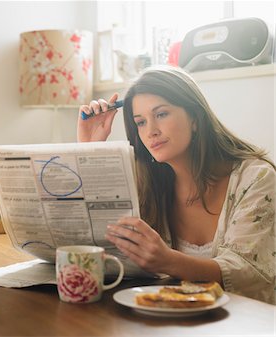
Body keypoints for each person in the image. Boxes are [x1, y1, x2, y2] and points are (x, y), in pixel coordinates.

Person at [78, 65, 275, 304]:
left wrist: (168, 260)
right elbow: (95, 248)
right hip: (167, 321)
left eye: (161, 114)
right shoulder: (144, 181)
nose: (151, 131)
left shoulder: (256, 178)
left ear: (195, 117)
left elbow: (247, 273)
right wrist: (89, 149)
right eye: (140, 122)